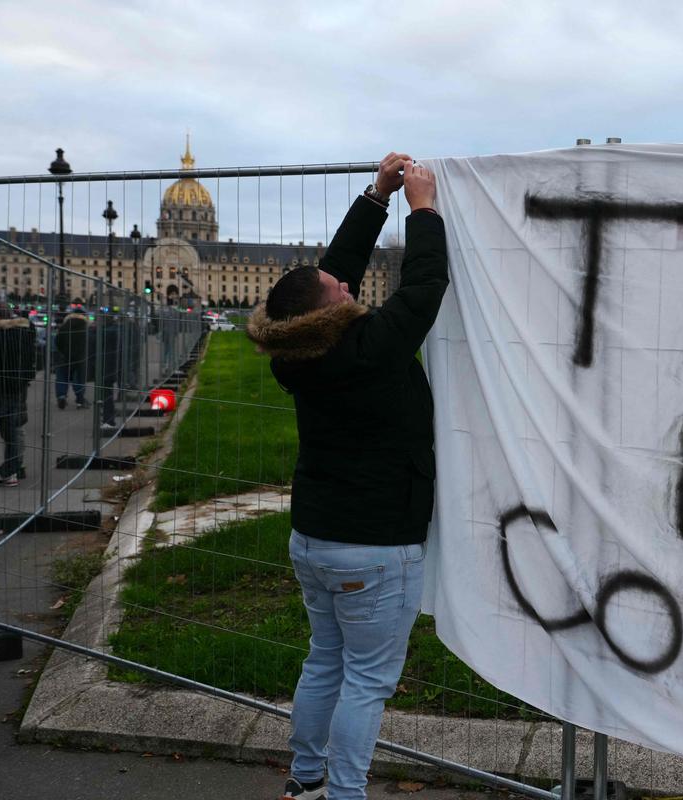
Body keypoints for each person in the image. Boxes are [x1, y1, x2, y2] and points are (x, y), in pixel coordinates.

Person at [246, 153, 447, 800]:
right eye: (338, 293)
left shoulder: (297, 354)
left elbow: (331, 273)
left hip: (316, 538)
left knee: (325, 660)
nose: (348, 288)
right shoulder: (367, 347)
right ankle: (346, 793)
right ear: (325, 313)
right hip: (375, 544)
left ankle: (305, 781)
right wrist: (423, 210)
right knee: (366, 680)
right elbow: (422, 288)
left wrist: (374, 197)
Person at [0, 308, 37, 486]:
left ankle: (10, 469)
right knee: (14, 429)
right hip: (18, 387)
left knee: (10, 430)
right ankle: (12, 470)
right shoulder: (24, 332)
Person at [55, 306, 90, 410]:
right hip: (80, 357)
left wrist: (62, 352)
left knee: (62, 377)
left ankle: (61, 396)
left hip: (64, 356)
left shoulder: (64, 327)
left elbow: (57, 341)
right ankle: (80, 400)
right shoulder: (85, 328)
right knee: (79, 379)